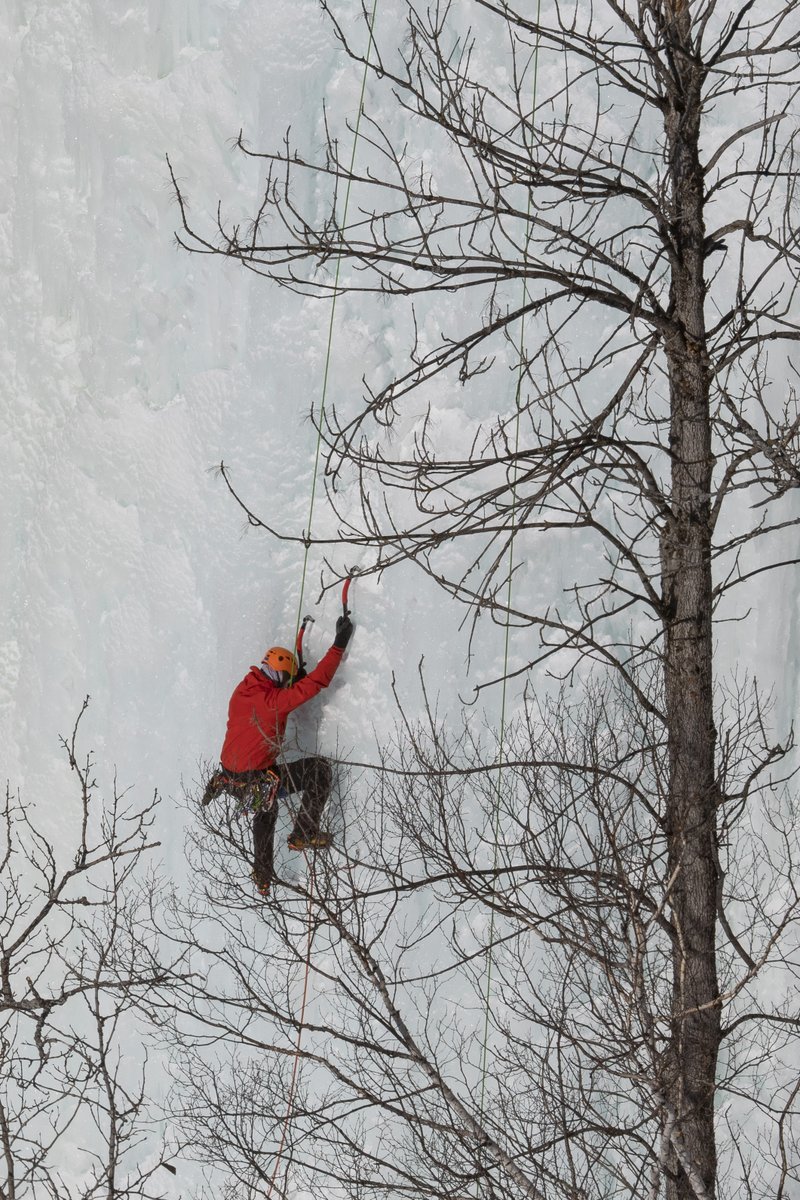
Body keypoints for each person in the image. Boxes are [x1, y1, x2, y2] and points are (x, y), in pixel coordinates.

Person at [204, 613, 354, 896]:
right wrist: (339, 644)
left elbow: (266, 706)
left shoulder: (243, 691)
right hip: (257, 778)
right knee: (318, 770)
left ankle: (263, 875)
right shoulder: (273, 701)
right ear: (280, 674)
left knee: (266, 805)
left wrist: (291, 680)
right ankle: (305, 832)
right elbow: (316, 683)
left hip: (231, 777)